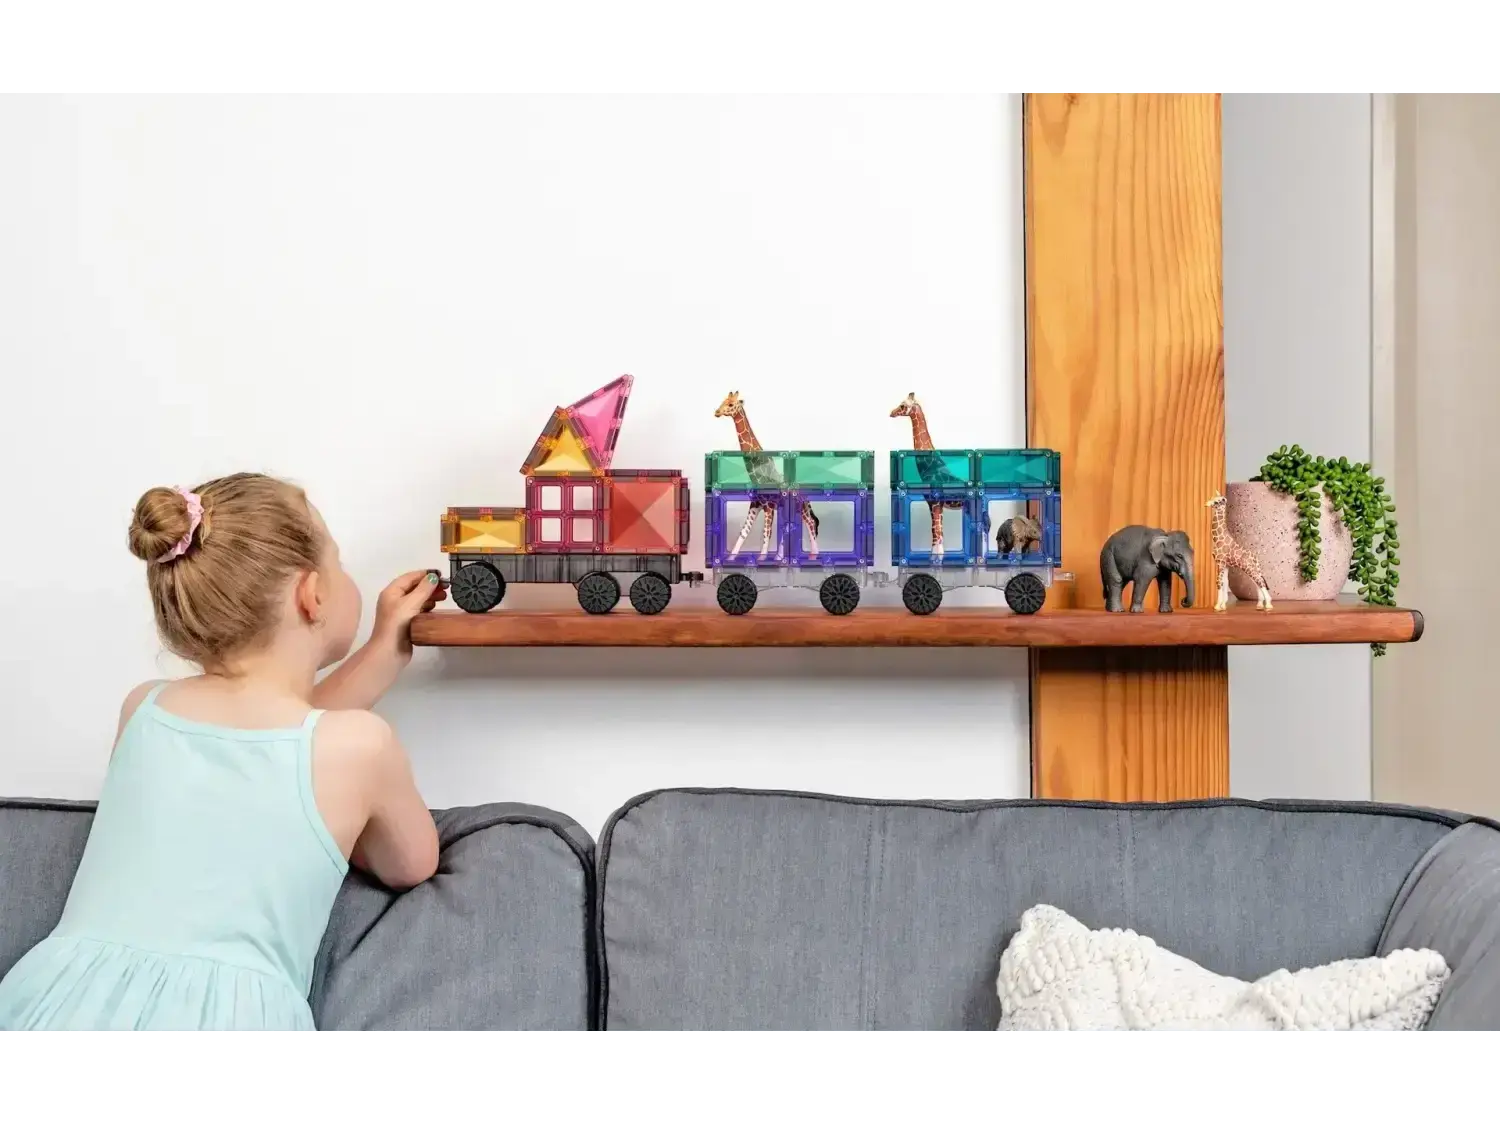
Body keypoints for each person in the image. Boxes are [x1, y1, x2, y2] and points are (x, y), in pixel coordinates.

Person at [0, 473, 446, 1032]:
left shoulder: (143, 709)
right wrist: (381, 652)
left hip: (55, 1002)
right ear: (312, 594)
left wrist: (381, 654)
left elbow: (260, 735)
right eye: (339, 561)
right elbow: (411, 864)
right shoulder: (361, 746)